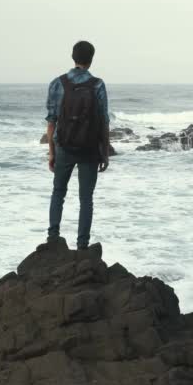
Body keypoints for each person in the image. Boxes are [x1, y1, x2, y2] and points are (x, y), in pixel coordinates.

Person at [44, 40, 110, 250]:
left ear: (73, 57)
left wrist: (52, 153)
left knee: (58, 192)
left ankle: (53, 238)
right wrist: (105, 152)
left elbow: (51, 122)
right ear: (91, 59)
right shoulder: (98, 85)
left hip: (64, 146)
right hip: (90, 149)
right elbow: (104, 121)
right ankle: (82, 246)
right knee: (86, 199)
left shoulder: (57, 83)